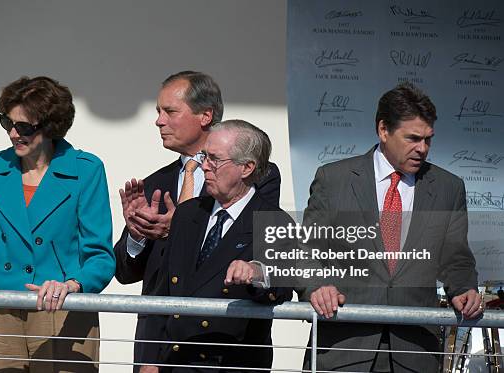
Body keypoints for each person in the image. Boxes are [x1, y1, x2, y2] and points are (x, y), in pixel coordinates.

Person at [0, 76, 115, 372]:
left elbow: (100, 255)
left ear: (51, 126)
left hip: (63, 308)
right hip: (4, 307)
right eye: (7, 123)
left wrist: (73, 285)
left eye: (24, 127)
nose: (13, 133)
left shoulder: (86, 170)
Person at [299, 82, 482, 372]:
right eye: (412, 138)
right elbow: (307, 248)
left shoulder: (449, 188)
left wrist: (463, 289)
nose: (422, 149)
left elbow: (455, 256)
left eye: (428, 140)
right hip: (344, 345)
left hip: (414, 349)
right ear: (383, 130)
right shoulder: (334, 180)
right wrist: (317, 286)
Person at [114, 71, 282, 368]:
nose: (159, 121)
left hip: (225, 346)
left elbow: (264, 256)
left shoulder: (261, 178)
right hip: (162, 343)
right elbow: (128, 274)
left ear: (205, 115)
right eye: (158, 112)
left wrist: (173, 228)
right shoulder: (155, 183)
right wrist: (138, 234)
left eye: (169, 111)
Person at [140, 119, 293, 373]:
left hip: (230, 363)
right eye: (204, 156)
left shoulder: (273, 221)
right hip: (175, 362)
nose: (204, 166)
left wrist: (256, 272)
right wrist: (149, 359)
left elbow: (282, 284)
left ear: (247, 168)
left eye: (214, 159)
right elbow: (162, 292)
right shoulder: (188, 213)